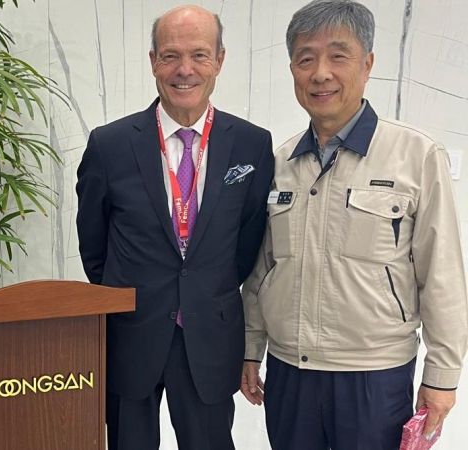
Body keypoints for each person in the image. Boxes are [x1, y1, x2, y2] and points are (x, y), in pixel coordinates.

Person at [240, 1, 468, 449]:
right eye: (306, 58)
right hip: (290, 372)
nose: (321, 73)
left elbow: (442, 273)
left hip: (374, 375)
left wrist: (442, 375)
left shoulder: (416, 155)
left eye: (338, 55)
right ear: (293, 70)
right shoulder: (281, 161)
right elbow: (261, 269)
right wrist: (252, 348)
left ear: (368, 64)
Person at [76, 5, 274, 449]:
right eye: (170, 56)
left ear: (220, 60)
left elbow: (249, 240)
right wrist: (128, 294)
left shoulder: (252, 144)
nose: (184, 70)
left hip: (210, 333)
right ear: (152, 62)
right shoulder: (109, 145)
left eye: (200, 55)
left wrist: (205, 288)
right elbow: (93, 244)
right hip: (132, 333)